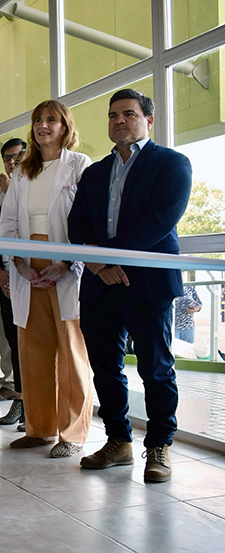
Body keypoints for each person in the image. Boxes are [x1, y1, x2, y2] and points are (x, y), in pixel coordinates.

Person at [68, 88, 193, 482]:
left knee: (156, 368)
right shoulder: (94, 173)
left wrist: (109, 258)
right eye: (112, 115)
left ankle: (159, 446)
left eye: (128, 114)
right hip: (101, 284)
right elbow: (77, 226)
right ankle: (118, 442)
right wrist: (100, 265)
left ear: (148, 120)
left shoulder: (172, 163)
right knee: (105, 368)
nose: (118, 120)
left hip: (148, 283)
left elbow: (161, 220)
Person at [0, 100, 93, 458]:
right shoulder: (23, 171)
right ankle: (40, 428)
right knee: (33, 350)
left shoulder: (79, 166)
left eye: (51, 119)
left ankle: (73, 433)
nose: (42, 125)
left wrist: (67, 264)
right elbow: (7, 224)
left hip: (65, 266)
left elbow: (86, 222)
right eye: (37, 120)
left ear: (65, 126)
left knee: (71, 351)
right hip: (28, 266)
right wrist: (19, 264)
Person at [0, 138, 26, 429]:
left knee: (31, 346)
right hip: (5, 279)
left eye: (16, 157)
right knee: (14, 345)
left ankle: (34, 408)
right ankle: (21, 402)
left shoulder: (30, 187)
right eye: (6, 158)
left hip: (29, 277)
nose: (11, 163)